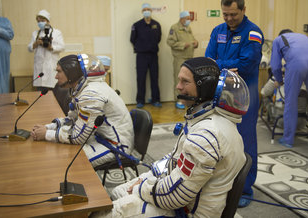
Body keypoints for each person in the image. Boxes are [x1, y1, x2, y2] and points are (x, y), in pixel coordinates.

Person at [92, 57, 248, 218]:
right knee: (119, 191)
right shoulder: (204, 118)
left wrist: (142, 188)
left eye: (185, 82)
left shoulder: (206, 135)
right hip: (184, 197)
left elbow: (175, 197)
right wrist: (151, 175)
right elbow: (175, 158)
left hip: (188, 212)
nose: (178, 86)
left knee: (105, 214)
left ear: (205, 87)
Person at [205, 0, 263, 207]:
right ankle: (222, 181)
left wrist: (220, 64)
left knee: (245, 141)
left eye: (233, 15)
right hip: (220, 92)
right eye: (225, 14)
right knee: (219, 137)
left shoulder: (253, 33)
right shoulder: (217, 30)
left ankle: (245, 188)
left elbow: (247, 64)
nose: (229, 19)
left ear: (243, 10)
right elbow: (209, 58)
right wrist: (225, 63)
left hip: (244, 94)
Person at [30, 54, 134, 167]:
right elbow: (72, 119)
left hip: (116, 145)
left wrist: (47, 135)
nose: (56, 76)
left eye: (59, 72)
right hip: (100, 136)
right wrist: (48, 127)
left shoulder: (91, 94)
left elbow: (78, 137)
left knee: (71, 160)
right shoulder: (83, 88)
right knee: (62, 149)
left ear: (71, 74)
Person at [270, 29, 308, 149]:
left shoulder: (278, 39)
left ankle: (288, 139)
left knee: (291, 102)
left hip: (296, 63)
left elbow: (275, 65)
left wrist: (279, 79)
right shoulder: (303, 37)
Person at [130, 3, 162, 108]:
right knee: (141, 78)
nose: (147, 11)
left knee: (154, 78)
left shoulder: (156, 24)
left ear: (151, 11)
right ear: (142, 12)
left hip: (153, 55)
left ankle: (155, 99)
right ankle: (140, 101)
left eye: (148, 9)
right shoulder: (137, 25)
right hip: (141, 56)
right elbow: (132, 39)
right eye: (145, 9)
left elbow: (158, 39)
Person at [167, 10, 198, 109]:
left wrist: (195, 43)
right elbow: (170, 42)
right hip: (180, 58)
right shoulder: (174, 28)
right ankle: (178, 100)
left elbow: (192, 39)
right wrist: (183, 45)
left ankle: (187, 98)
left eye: (189, 19)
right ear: (182, 18)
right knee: (178, 79)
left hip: (189, 57)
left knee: (188, 80)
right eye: (187, 18)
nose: (189, 20)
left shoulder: (188, 28)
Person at [28, 9, 65, 90]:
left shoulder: (56, 33)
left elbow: (62, 47)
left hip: (51, 67)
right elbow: (29, 48)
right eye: (38, 21)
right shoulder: (35, 34)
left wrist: (51, 47)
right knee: (40, 93)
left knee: (53, 93)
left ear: (48, 21)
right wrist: (36, 43)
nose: (40, 23)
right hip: (39, 68)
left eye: (42, 20)